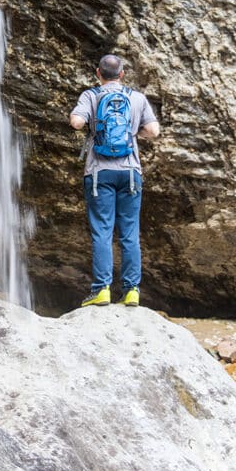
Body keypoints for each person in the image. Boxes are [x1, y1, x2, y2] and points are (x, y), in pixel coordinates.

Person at [69, 54, 160, 308]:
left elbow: (76, 122)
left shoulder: (91, 96)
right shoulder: (136, 98)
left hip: (99, 172)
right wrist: (132, 132)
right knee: (130, 233)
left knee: (102, 231)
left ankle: (102, 290)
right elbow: (154, 131)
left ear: (98, 73)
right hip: (130, 171)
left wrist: (91, 124)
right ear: (122, 74)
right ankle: (131, 291)